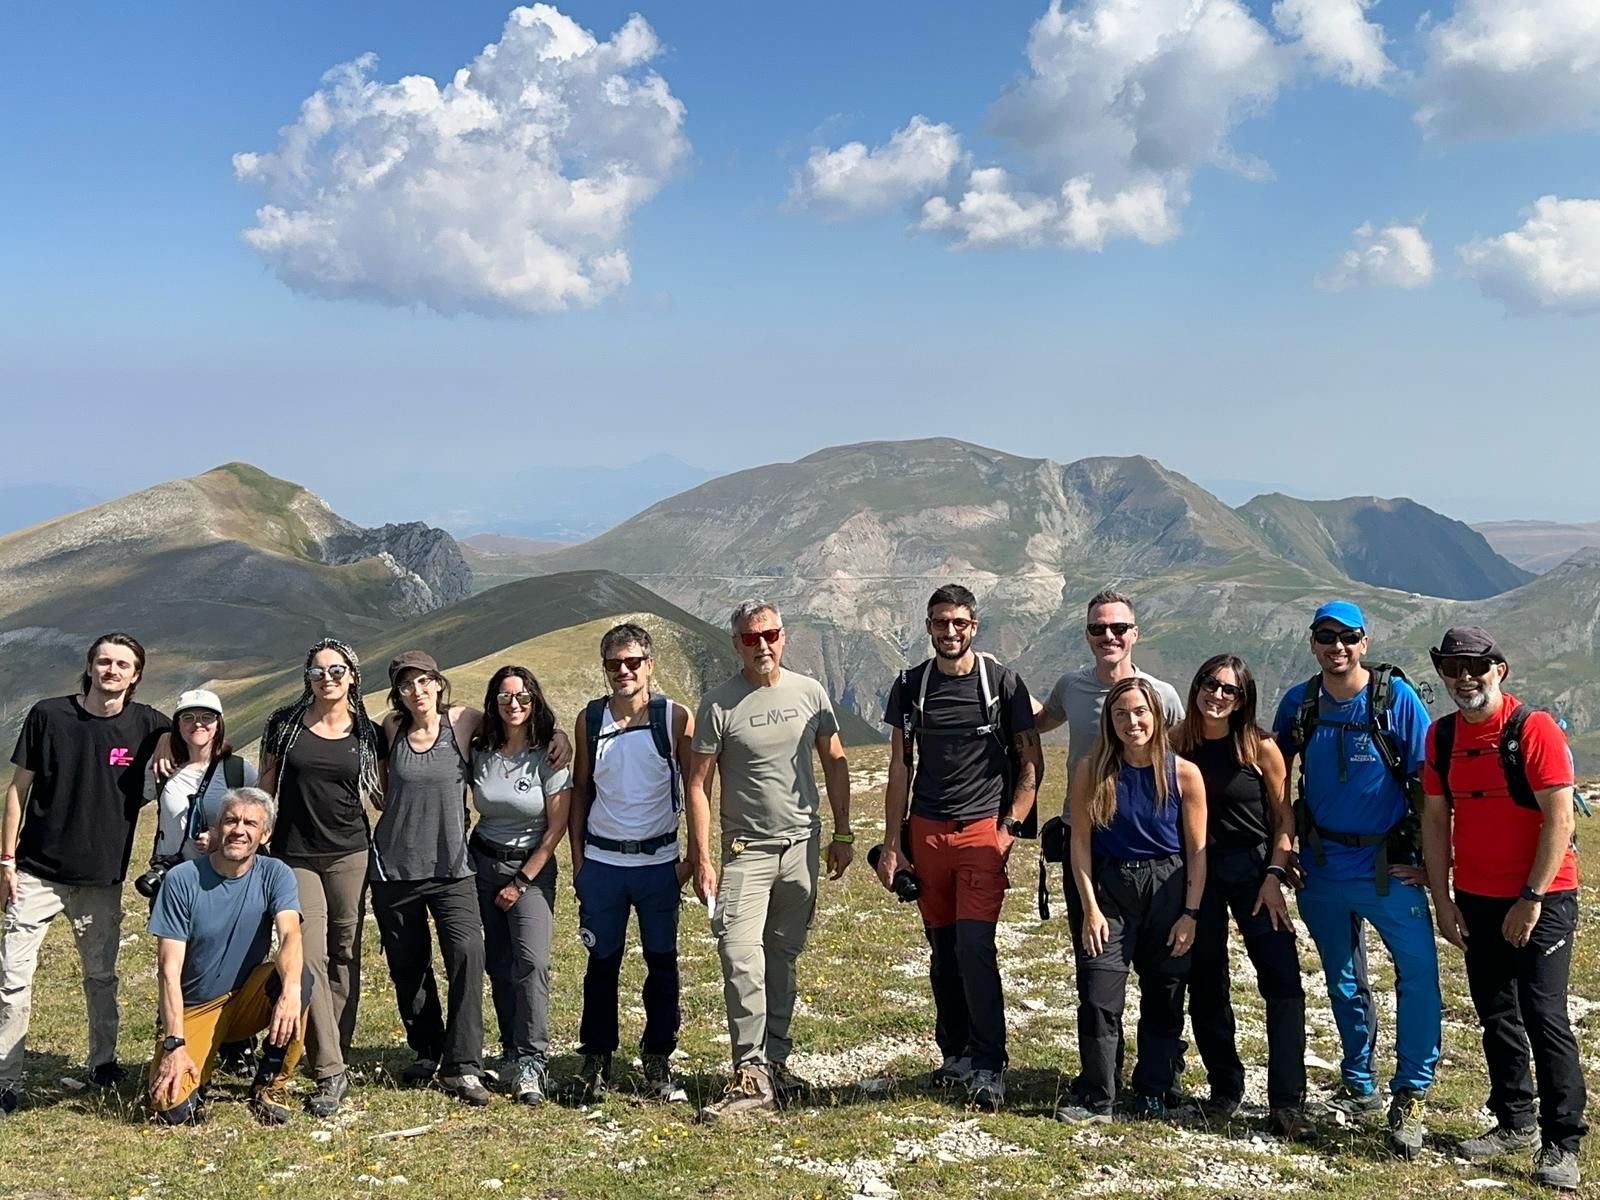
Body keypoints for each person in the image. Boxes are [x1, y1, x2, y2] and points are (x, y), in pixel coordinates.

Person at [1422, 626, 1586, 1190]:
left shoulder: (1532, 729)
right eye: (1453, 668)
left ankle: (1562, 1141)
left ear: (1500, 669)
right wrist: (1443, 899)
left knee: (1544, 1014)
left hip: (1543, 895)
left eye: (1476, 666)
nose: (1465, 678)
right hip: (1477, 896)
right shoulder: (1442, 736)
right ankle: (1514, 1121)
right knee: (1496, 1011)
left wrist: (1531, 898)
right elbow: (1435, 819)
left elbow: (1559, 818)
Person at [1273, 599, 1439, 1159]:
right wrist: (1284, 847)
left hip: (1389, 868)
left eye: (1348, 637)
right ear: (1312, 642)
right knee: (1343, 979)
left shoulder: (1396, 699)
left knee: (1418, 977)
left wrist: (1432, 864)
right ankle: (1359, 1082)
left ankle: (1411, 1094)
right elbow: (1274, 775)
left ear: (1364, 642)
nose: (1337, 647)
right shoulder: (1299, 703)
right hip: (1321, 868)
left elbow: (1430, 784)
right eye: (1326, 637)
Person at [876, 584, 1042, 1112]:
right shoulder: (910, 686)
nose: (950, 631)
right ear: (928, 626)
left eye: (960, 623)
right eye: (940, 622)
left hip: (981, 832)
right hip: (927, 833)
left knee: (975, 948)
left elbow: (1031, 763)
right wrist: (892, 843)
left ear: (974, 627)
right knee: (943, 951)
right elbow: (900, 765)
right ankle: (956, 1055)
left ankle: (989, 1064)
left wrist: (1006, 830)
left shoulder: (1003, 684)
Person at [687, 600, 853, 1122]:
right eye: (750, 637)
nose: (762, 645)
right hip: (746, 851)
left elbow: (835, 760)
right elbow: (698, 784)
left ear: (783, 636)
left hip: (802, 846)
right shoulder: (718, 704)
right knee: (740, 955)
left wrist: (843, 833)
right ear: (735, 642)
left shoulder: (810, 692)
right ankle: (750, 1071)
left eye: (771, 635)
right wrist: (701, 857)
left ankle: (775, 1063)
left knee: (782, 955)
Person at [0, 633, 169, 1114]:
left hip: (101, 879)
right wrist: (6, 859)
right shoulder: (49, 716)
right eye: (104, 661)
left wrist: (163, 741)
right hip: (35, 872)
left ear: (136, 675)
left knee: (101, 977)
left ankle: (103, 1063)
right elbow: (18, 790)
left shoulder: (148, 724)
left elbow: (187, 732)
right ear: (90, 667)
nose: (111, 670)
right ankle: (5, 1079)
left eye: (122, 664)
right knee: (12, 979)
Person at [1058, 677, 1207, 1123]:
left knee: (1164, 993)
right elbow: (1079, 842)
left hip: (1168, 886)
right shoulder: (1092, 769)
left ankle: (1153, 1091)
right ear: (1110, 721)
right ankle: (1098, 1096)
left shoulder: (1183, 773)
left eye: (1140, 711)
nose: (1132, 722)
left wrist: (1190, 913)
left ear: (1156, 716)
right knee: (1099, 993)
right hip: (1111, 887)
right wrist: (1090, 908)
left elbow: (1198, 851)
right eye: (1121, 713)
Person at [1171, 656, 1306, 1136]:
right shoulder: (1175, 743)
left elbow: (1283, 818)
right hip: (1198, 874)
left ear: (1243, 698)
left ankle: (1287, 1102)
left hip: (1254, 872)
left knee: (1283, 980)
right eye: (1211, 684)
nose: (1218, 695)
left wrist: (1274, 873)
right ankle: (1224, 1089)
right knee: (1207, 982)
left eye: (1230, 689)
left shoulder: (1260, 747)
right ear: (1197, 686)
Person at [259, 637, 386, 1117]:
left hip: (350, 854)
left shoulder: (368, 732)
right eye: (317, 672)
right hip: (294, 855)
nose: (327, 679)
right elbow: (265, 785)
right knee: (307, 957)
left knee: (344, 953)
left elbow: (383, 793)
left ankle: (335, 1048)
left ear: (352, 677)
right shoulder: (284, 725)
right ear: (307, 677)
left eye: (336, 671)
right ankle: (330, 1071)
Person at [568, 624, 691, 1105]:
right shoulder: (589, 719)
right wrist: (579, 861)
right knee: (601, 963)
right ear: (605, 668)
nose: (624, 671)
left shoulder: (674, 718)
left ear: (649, 665)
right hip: (602, 862)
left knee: (662, 963)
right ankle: (597, 1056)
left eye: (633, 662)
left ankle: (658, 1055)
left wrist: (693, 860)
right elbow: (581, 789)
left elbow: (697, 788)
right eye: (614, 663)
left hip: (659, 863)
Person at [145, 788, 310, 1126]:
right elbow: (168, 970)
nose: (239, 830)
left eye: (251, 823)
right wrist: (174, 1042)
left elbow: (290, 935)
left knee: (300, 978)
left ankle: (269, 1084)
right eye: (231, 820)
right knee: (171, 1109)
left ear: (265, 835)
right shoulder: (181, 880)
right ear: (217, 828)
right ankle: (196, 1067)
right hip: (194, 1008)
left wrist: (291, 990)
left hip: (245, 998)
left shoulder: (275, 873)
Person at [371, 650, 490, 1107]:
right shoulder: (391, 728)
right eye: (407, 684)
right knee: (408, 967)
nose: (417, 690)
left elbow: (519, 725)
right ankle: (427, 1049)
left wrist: (557, 735)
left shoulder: (462, 721)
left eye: (424, 681)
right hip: (394, 869)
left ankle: (464, 1065)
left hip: (452, 870)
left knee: (467, 956)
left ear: (439, 682)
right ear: (397, 693)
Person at [467, 664, 571, 1106]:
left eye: (524, 697)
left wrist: (523, 879)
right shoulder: (480, 749)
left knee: (532, 962)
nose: (515, 704)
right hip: (482, 862)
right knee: (498, 962)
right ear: (494, 702)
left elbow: (557, 826)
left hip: (530, 869)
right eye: (506, 696)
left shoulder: (549, 752)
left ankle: (533, 1059)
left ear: (535, 701)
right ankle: (510, 1048)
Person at [1035, 590, 1184, 783]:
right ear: (1088, 635)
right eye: (1098, 628)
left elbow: (1188, 749)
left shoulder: (1162, 694)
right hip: (1080, 803)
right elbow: (1037, 723)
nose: (1108, 636)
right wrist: (1006, 678)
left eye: (1119, 628)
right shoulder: (1069, 686)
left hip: (1142, 803)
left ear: (1135, 634)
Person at [143, 690, 257, 868]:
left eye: (207, 717)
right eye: (188, 717)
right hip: (172, 874)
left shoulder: (239, 770)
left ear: (218, 724)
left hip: (222, 873)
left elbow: (259, 824)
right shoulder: (161, 766)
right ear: (177, 725)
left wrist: (221, 837)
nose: (198, 723)